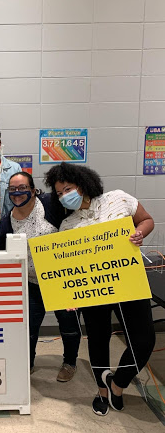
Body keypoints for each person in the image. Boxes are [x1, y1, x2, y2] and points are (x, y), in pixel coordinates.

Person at [44, 162, 156, 416]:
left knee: (145, 340)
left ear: (82, 185)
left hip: (129, 281)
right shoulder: (68, 226)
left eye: (68, 189)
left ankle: (117, 383)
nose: (64, 196)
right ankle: (102, 392)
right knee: (97, 338)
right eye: (59, 193)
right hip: (94, 291)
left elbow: (146, 220)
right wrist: (68, 295)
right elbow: (69, 269)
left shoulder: (117, 199)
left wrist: (139, 232)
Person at [0, 172, 82, 381]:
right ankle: (28, 363)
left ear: (34, 190)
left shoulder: (51, 205)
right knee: (29, 328)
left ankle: (70, 363)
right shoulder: (7, 220)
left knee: (69, 325)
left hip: (61, 280)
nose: (18, 193)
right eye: (13, 189)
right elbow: (2, 251)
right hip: (30, 282)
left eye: (23, 188)